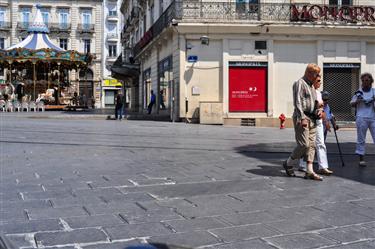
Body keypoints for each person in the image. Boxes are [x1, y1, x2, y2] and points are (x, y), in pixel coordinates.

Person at [283, 63, 323, 181]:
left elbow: (315, 102)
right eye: (316, 74)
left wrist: (319, 110)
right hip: (303, 118)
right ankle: (288, 163)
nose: (318, 76)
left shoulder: (312, 86)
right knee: (303, 144)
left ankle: (309, 171)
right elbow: (297, 102)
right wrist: (302, 117)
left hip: (313, 118)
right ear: (309, 73)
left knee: (311, 145)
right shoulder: (299, 83)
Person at [298, 77, 333, 176]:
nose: (320, 83)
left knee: (321, 143)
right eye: (318, 81)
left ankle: (323, 166)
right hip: (309, 120)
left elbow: (322, 108)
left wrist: (323, 116)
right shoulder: (306, 92)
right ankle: (303, 164)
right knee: (307, 144)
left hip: (318, 121)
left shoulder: (319, 93)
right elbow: (304, 106)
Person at [350, 72, 375, 167]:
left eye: (367, 80)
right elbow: (351, 104)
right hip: (361, 118)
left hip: (373, 118)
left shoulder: (374, 92)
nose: (365, 82)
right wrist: (357, 101)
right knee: (361, 139)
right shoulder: (358, 92)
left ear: (371, 81)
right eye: (363, 80)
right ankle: (361, 159)